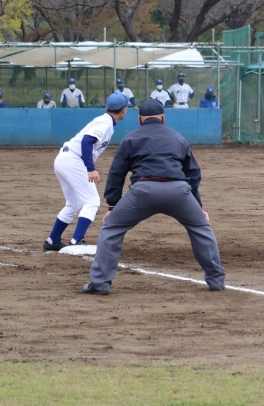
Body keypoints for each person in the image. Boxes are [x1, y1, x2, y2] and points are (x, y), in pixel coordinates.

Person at [82, 98, 226, 295]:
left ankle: (99, 284)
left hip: (143, 192)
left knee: (112, 229)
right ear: (163, 118)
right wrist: (197, 207)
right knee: (201, 228)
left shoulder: (130, 138)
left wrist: (113, 206)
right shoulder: (178, 138)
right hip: (179, 193)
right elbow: (193, 174)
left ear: (140, 119)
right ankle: (216, 280)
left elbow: (117, 174)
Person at [43, 93, 128, 251]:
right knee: (92, 201)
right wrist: (91, 169)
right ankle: (77, 240)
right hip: (74, 161)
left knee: (73, 204)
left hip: (64, 159)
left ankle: (52, 241)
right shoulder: (106, 122)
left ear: (107, 107)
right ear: (124, 110)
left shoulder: (104, 120)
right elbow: (87, 141)